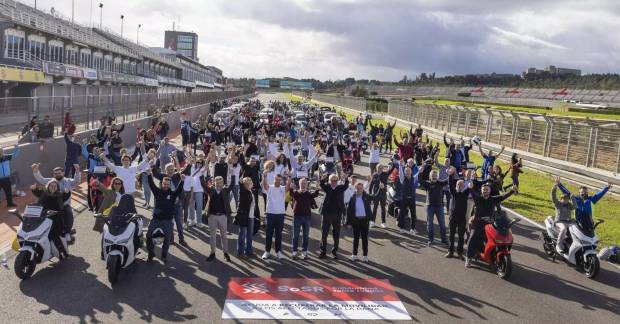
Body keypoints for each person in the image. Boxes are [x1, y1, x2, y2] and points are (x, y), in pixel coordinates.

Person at [466, 183, 517, 267]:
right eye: (483, 189)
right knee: (473, 239)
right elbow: (473, 192)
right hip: (478, 223)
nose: (485, 191)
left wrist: (512, 191)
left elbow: (503, 196)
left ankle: (493, 254)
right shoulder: (478, 198)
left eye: (487, 189)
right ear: (481, 191)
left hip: (490, 223)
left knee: (496, 238)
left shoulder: (493, 199)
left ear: (489, 191)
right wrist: (470, 187)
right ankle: (468, 258)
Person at [33, 163, 80, 243]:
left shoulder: (69, 181)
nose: (57, 174)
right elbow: (41, 179)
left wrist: (77, 171)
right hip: (50, 207)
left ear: (63, 173)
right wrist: (36, 170)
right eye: (55, 173)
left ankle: (68, 232)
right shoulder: (50, 181)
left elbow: (76, 181)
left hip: (63, 207)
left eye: (59, 173)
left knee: (68, 211)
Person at [146, 171, 185, 263]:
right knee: (148, 236)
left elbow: (179, 189)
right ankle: (151, 254)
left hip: (167, 221)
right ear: (161, 183)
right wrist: (148, 175)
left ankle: (164, 256)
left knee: (167, 239)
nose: (166, 185)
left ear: (170, 184)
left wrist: (182, 181)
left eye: (168, 184)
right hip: (156, 219)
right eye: (164, 184)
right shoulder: (157, 191)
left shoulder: (172, 194)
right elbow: (151, 184)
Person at [31, 180, 70, 257]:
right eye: (51, 186)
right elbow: (36, 192)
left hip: (56, 218)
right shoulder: (43, 193)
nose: (53, 187)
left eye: (55, 186)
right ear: (48, 186)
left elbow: (66, 195)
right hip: (43, 217)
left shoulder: (60, 194)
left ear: (57, 188)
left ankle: (61, 251)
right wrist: (34, 188)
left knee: (53, 235)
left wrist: (67, 192)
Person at [319, 173, 349, 259]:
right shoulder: (327, 187)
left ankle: (334, 252)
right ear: (329, 181)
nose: (334, 182)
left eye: (336, 180)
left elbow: (346, 185)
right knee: (324, 234)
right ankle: (322, 251)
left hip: (337, 215)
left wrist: (346, 178)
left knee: (336, 234)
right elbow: (321, 184)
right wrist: (323, 178)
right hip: (326, 214)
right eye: (332, 180)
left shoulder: (340, 188)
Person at [289, 177, 320, 260]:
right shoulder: (296, 193)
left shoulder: (309, 194)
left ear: (307, 184)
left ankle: (304, 252)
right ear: (299, 184)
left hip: (307, 217)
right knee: (295, 236)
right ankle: (294, 251)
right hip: (297, 217)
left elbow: (315, 195)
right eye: (301, 183)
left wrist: (317, 188)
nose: (303, 185)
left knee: (306, 236)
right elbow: (291, 194)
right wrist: (291, 187)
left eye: (304, 183)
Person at [205, 176, 233, 262]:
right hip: (212, 216)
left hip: (222, 216)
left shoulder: (225, 190)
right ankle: (212, 253)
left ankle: (226, 253)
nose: (219, 183)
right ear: (214, 182)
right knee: (212, 236)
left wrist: (233, 175)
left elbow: (232, 185)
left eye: (220, 182)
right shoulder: (211, 190)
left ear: (223, 182)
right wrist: (202, 175)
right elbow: (203, 184)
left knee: (224, 236)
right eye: (217, 182)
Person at [261, 172, 287, 259]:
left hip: (280, 215)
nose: (278, 181)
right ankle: (267, 251)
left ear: (281, 181)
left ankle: (278, 252)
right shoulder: (270, 188)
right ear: (274, 179)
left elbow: (288, 186)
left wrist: (290, 176)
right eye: (276, 179)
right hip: (270, 214)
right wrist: (264, 177)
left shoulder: (283, 188)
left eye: (279, 180)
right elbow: (265, 186)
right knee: (269, 234)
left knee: (278, 234)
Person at [345, 182, 372, 262]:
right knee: (356, 238)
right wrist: (348, 223)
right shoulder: (352, 198)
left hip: (365, 221)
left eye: (361, 188)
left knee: (365, 239)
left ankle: (365, 255)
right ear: (355, 189)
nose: (359, 190)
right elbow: (349, 212)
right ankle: (354, 254)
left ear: (363, 188)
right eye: (358, 188)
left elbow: (375, 196)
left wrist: (381, 189)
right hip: (356, 221)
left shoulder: (366, 196)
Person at [421, 170, 450, 246]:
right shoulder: (427, 183)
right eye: (433, 176)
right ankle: (430, 240)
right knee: (429, 224)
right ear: (430, 176)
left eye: (435, 176)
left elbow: (448, 180)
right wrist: (421, 171)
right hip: (430, 206)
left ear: (437, 176)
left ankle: (443, 240)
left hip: (439, 207)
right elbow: (420, 180)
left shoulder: (440, 183)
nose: (434, 177)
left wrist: (450, 174)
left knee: (442, 224)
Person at [446, 171, 470, 259]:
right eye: (458, 185)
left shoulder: (465, 193)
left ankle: (460, 253)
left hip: (461, 218)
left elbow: (471, 186)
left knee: (461, 236)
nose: (459, 186)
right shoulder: (453, 193)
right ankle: (450, 251)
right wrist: (450, 175)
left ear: (464, 186)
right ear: (456, 186)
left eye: (461, 185)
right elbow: (449, 184)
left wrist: (472, 179)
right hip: (453, 217)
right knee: (451, 235)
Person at [551, 178, 575, 254]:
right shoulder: (558, 204)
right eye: (563, 199)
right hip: (559, 222)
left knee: (578, 227)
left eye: (567, 199)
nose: (565, 200)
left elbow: (574, 206)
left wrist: (573, 198)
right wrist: (554, 188)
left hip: (568, 222)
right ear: (561, 199)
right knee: (564, 229)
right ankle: (559, 245)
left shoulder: (569, 205)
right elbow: (553, 197)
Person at [396, 159, 420, 234]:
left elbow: (418, 174)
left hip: (412, 199)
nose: (407, 173)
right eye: (406, 172)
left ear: (411, 172)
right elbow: (400, 173)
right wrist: (400, 166)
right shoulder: (402, 179)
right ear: (404, 173)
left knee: (413, 214)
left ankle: (412, 228)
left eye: (409, 172)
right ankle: (401, 228)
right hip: (404, 199)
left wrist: (420, 170)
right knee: (402, 213)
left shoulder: (414, 178)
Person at [235, 177, 257, 257]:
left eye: (249, 182)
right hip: (244, 216)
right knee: (242, 234)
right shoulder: (243, 191)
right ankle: (240, 253)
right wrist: (241, 183)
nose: (248, 184)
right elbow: (241, 188)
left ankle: (249, 251)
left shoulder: (251, 191)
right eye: (246, 183)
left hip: (251, 216)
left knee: (249, 235)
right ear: (244, 185)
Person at [369, 164, 389, 228]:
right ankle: (372, 221)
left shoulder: (385, 174)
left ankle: (383, 222)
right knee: (375, 208)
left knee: (383, 208)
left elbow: (386, 183)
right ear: (376, 168)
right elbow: (371, 184)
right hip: (376, 194)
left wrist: (384, 186)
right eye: (379, 168)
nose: (380, 169)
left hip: (383, 194)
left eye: (381, 168)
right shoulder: (374, 175)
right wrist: (370, 194)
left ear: (383, 168)